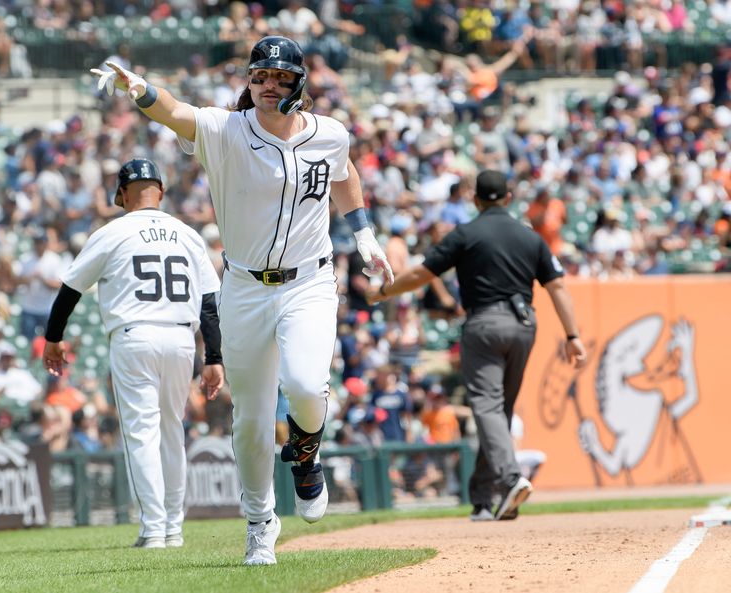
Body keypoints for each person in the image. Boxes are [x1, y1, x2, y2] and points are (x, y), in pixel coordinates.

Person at [91, 35, 393, 565]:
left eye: (279, 78)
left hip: (309, 281)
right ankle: (260, 523)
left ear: (300, 83)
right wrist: (138, 87)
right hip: (245, 287)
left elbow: (344, 176)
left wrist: (364, 234)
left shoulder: (330, 133)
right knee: (251, 419)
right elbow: (175, 112)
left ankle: (304, 455)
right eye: (259, 77)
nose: (268, 86)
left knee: (304, 385)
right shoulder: (225, 130)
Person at [367, 170, 587, 521]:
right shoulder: (530, 237)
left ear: (476, 199)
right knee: (498, 412)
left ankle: (511, 478)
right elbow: (557, 287)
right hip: (523, 325)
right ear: (509, 198)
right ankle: (485, 498)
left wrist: (382, 291)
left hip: (484, 324)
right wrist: (573, 336)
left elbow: (423, 274)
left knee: (486, 406)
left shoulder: (466, 234)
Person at [42, 158, 224, 549]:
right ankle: (173, 528)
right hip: (180, 339)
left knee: (142, 434)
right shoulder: (187, 233)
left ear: (122, 194)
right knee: (172, 433)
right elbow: (209, 301)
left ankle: (154, 529)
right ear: (159, 190)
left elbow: (70, 289)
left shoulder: (113, 232)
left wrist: (53, 338)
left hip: (135, 335)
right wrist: (214, 357)